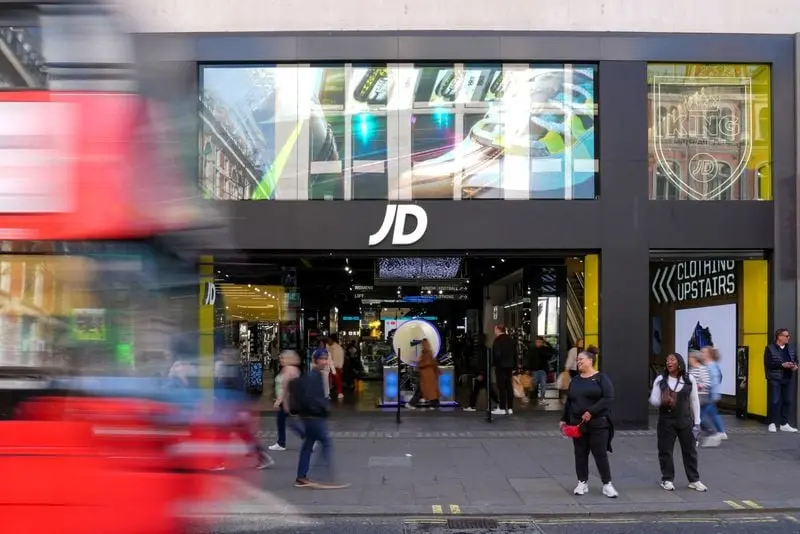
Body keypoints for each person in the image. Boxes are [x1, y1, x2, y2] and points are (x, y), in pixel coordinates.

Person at [560, 350, 617, 498]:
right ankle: (582, 482)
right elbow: (570, 401)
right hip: (577, 424)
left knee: (600, 454)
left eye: (581, 359)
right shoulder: (576, 380)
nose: (578, 362)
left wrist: (591, 411)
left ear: (590, 360)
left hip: (598, 424)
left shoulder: (601, 378)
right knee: (580, 454)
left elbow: (608, 398)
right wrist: (564, 419)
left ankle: (607, 484)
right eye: (577, 360)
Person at [290, 350, 349, 489]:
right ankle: (321, 476)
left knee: (307, 446)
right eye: (322, 359)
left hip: (310, 416)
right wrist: (322, 408)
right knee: (326, 442)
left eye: (326, 359)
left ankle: (301, 476)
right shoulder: (313, 376)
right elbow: (312, 398)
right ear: (315, 360)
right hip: (314, 417)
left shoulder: (316, 375)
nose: (325, 362)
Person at [649, 352, 708, 492]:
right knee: (665, 451)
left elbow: (694, 400)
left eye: (672, 360)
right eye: (667, 360)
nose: (669, 362)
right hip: (666, 421)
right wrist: (662, 401)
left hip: (685, 420)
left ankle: (694, 480)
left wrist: (697, 422)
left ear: (679, 363)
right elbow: (653, 400)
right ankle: (667, 479)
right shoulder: (660, 380)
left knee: (690, 451)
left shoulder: (689, 379)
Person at [214, 351, 274, 470]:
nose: (223, 358)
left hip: (232, 410)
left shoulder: (232, 372)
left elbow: (235, 391)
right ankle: (262, 457)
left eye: (224, 356)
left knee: (223, 436)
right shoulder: (234, 371)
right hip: (234, 409)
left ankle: (218, 462)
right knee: (244, 436)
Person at [268, 350, 306, 451]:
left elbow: (285, 388)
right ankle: (282, 442)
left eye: (282, 358)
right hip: (288, 400)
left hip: (286, 400)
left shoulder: (288, 370)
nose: (280, 360)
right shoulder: (295, 369)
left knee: (284, 421)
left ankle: (281, 443)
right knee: (287, 421)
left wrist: (280, 401)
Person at [764, 328, 798, 433]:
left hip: (788, 378)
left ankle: (784, 424)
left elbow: (796, 359)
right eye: (786, 336)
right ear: (779, 337)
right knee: (775, 401)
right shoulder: (770, 348)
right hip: (775, 378)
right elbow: (768, 363)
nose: (788, 338)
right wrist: (782, 365)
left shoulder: (791, 348)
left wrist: (795, 366)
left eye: (788, 336)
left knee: (788, 400)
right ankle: (772, 423)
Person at [688, 351, 721, 448]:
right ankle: (698, 436)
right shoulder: (691, 369)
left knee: (699, 418)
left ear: (695, 359)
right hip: (693, 397)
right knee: (695, 418)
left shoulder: (702, 369)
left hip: (701, 397)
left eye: (690, 358)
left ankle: (712, 433)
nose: (689, 359)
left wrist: (697, 386)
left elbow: (707, 382)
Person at [464, 334, 499, 412]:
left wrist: (480, 373)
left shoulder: (477, 350)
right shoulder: (486, 349)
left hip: (480, 372)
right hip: (484, 372)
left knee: (477, 390)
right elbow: (487, 362)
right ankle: (498, 402)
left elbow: (478, 362)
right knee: (486, 389)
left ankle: (472, 406)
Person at [700, 345, 727, 440]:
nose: (701, 354)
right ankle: (721, 432)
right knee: (713, 413)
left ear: (709, 354)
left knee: (702, 416)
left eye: (703, 352)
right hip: (707, 394)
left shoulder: (711, 365)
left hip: (710, 394)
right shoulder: (707, 365)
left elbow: (715, 381)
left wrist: (715, 395)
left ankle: (712, 432)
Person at [406, 338, 441, 410]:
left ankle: (412, 403)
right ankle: (435, 403)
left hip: (427, 375)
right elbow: (433, 363)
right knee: (428, 390)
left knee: (422, 389)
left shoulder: (427, 353)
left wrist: (419, 364)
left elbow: (427, 363)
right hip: (428, 374)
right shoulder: (428, 352)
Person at [492, 324, 516, 415]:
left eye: (495, 329)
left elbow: (497, 354)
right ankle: (510, 408)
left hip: (500, 366)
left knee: (501, 387)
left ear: (498, 330)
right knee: (509, 387)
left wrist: (495, 364)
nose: (494, 331)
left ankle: (502, 407)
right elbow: (515, 354)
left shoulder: (497, 340)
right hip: (509, 366)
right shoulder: (511, 340)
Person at [527, 336, 552, 404]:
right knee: (533, 384)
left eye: (540, 342)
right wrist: (528, 369)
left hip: (543, 370)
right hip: (535, 370)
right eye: (537, 342)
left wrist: (546, 341)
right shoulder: (533, 349)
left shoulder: (544, 349)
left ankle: (542, 398)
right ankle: (528, 396)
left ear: (542, 343)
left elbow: (551, 349)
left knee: (543, 385)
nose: (538, 343)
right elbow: (530, 359)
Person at [326, 334, 345, 400]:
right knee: (328, 379)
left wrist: (340, 367)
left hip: (336, 366)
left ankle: (340, 392)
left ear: (332, 340)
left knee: (337, 380)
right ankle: (328, 392)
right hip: (328, 366)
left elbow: (341, 358)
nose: (327, 341)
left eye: (329, 339)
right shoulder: (327, 346)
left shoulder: (338, 348)